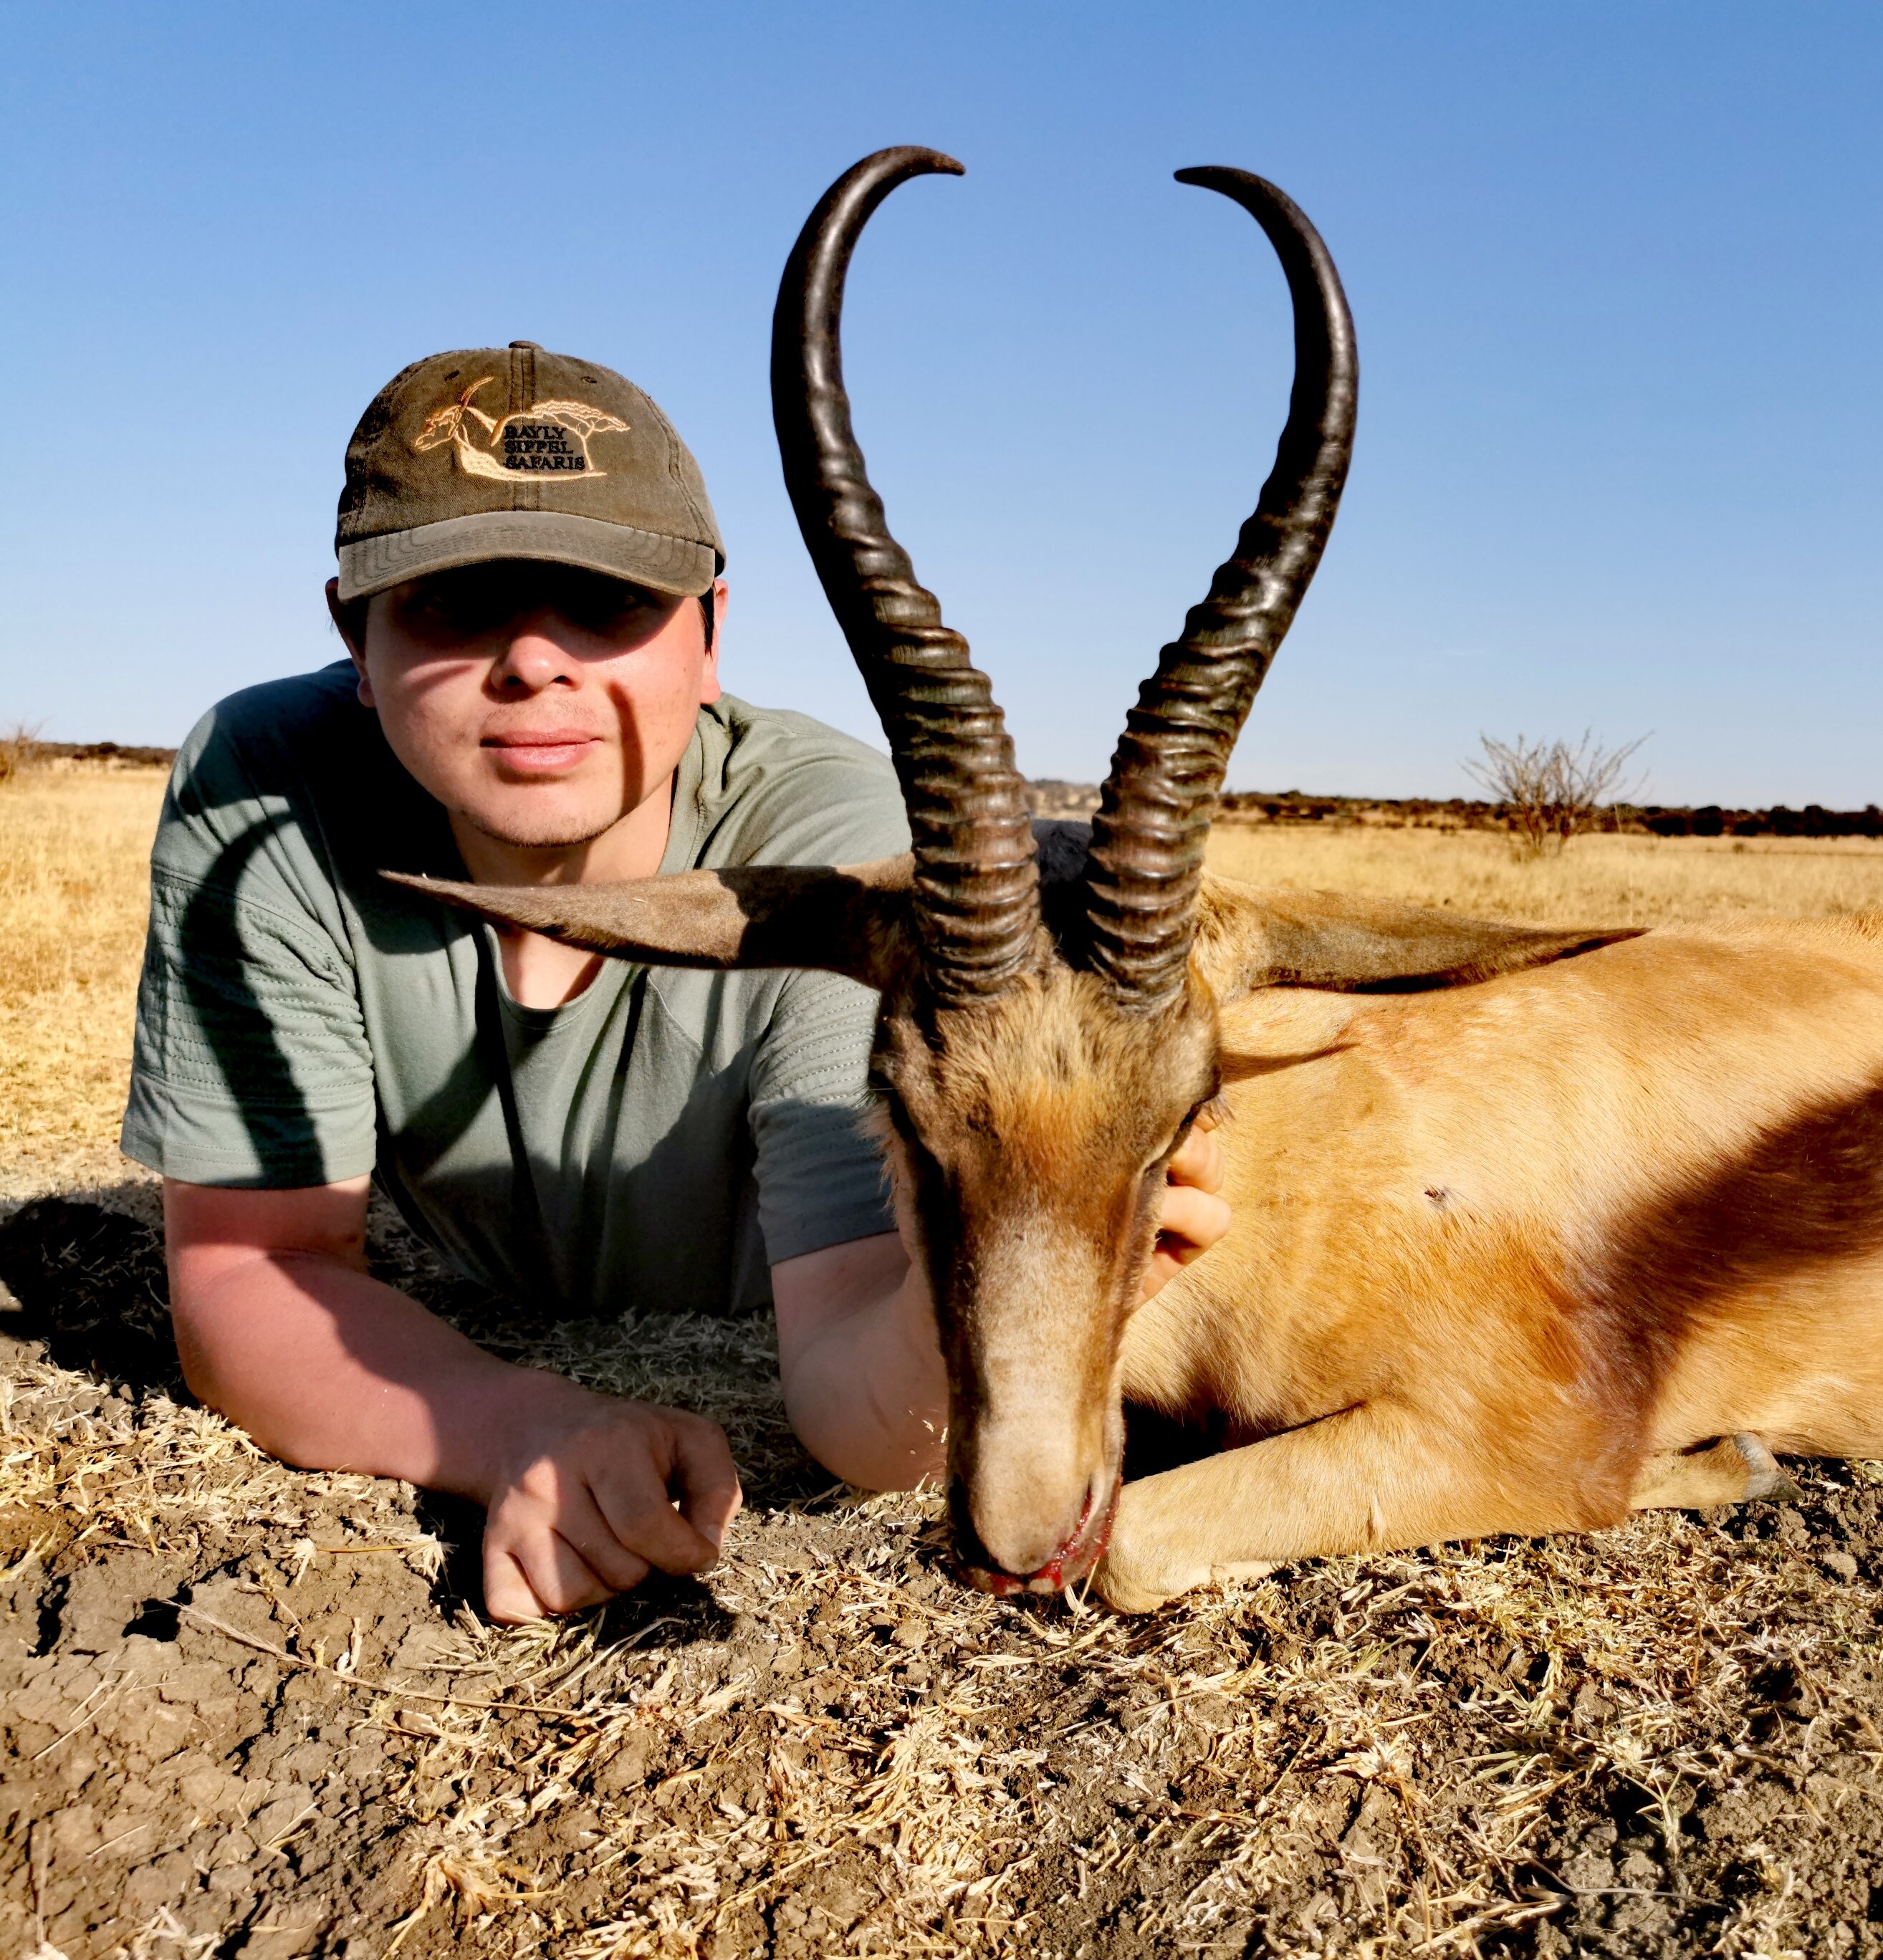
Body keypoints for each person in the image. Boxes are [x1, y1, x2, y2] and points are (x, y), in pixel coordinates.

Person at [120, 342, 1228, 1623]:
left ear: (707, 635)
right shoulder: (264, 782)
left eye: (605, 601)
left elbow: (849, 1395)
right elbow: (254, 1271)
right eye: (451, 600)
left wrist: (1011, 1295)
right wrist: (513, 1419)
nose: (534, 658)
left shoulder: (843, 850)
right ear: (354, 641)